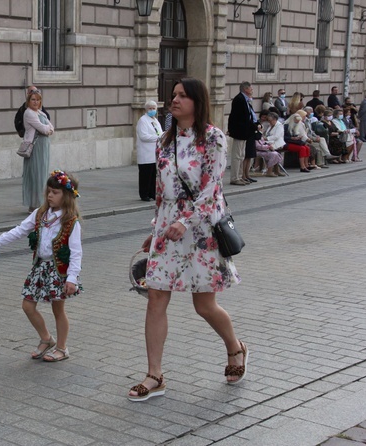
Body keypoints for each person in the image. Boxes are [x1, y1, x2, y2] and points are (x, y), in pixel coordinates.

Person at [127, 78, 245, 403]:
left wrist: (185, 220)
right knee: (155, 299)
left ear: (197, 100)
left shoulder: (213, 138)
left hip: (201, 230)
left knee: (204, 305)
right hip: (170, 228)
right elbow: (161, 194)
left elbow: (211, 189)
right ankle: (154, 375)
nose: (174, 99)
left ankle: (235, 348)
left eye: (182, 95)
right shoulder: (164, 141)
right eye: (173, 95)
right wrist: (157, 228)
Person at [0, 170, 82, 362]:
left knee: (58, 310)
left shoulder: (70, 222)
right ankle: (46, 338)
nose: (50, 195)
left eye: (55, 192)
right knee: (27, 305)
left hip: (58, 271)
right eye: (49, 191)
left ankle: (62, 348)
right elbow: (19, 230)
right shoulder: (40, 214)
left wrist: (72, 278)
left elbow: (76, 253)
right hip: (39, 268)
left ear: (67, 196)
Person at [21, 89, 54, 212]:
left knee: (43, 174)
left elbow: (51, 127)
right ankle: (35, 204)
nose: (36, 102)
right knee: (36, 175)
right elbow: (44, 129)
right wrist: (48, 130)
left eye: (38, 100)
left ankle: (41, 203)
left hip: (43, 146)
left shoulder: (40, 112)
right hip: (36, 147)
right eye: (33, 99)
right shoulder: (29, 113)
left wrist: (48, 129)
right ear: (28, 101)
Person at [227, 81, 259, 186]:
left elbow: (249, 115)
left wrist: (254, 125)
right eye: (251, 88)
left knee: (242, 155)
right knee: (237, 155)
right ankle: (235, 177)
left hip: (245, 132)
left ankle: (240, 176)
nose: (252, 90)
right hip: (239, 132)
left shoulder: (246, 100)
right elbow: (238, 117)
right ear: (245, 89)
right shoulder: (239, 99)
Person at [136, 100, 162, 201]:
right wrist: (158, 137)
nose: (152, 110)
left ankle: (152, 193)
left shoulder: (155, 120)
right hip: (146, 153)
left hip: (154, 152)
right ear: (146, 110)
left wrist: (161, 136)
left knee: (153, 176)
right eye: (150, 108)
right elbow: (143, 136)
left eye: (154, 108)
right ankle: (144, 194)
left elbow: (159, 132)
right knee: (145, 175)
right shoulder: (143, 120)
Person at [255, 111, 285, 176]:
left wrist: (266, 138)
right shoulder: (270, 125)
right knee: (271, 151)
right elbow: (266, 134)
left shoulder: (279, 126)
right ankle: (276, 171)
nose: (269, 122)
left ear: (275, 119)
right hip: (269, 143)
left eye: (270, 120)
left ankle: (274, 170)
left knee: (273, 153)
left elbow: (276, 136)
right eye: (269, 120)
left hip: (277, 143)